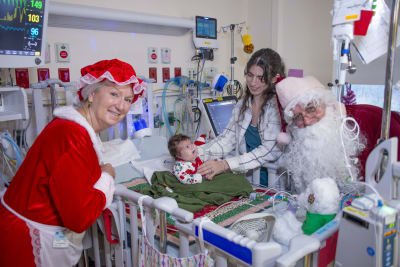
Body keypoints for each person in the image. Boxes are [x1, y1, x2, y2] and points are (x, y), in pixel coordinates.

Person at [0, 59, 145, 267]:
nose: (121, 105)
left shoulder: (75, 129)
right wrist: (106, 178)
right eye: (114, 94)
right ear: (92, 94)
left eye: (128, 99)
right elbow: (79, 218)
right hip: (27, 240)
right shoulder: (71, 134)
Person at [275, 76, 400, 193]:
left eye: (310, 109)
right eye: (298, 117)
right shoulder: (299, 141)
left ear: (325, 102)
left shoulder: (373, 118)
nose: (307, 121)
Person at [197, 48, 285, 186]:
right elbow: (227, 139)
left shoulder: (277, 108)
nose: (253, 82)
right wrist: (196, 153)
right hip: (250, 181)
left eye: (261, 78)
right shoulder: (242, 105)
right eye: (250, 75)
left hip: (273, 184)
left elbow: (268, 151)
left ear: (274, 78)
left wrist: (225, 164)